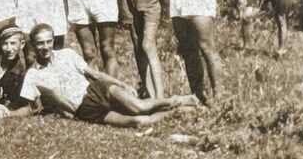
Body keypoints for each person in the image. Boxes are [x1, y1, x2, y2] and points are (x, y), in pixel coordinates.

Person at [19, 24, 197, 128]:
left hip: (97, 90)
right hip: (84, 108)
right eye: (40, 43)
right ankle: (180, 111)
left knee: (139, 107)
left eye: (48, 41)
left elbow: (95, 74)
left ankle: (177, 100)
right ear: (33, 46)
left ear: (52, 40)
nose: (45, 47)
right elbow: (31, 107)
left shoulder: (67, 54)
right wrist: (6, 113)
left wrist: (123, 84)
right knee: (139, 121)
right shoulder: (33, 75)